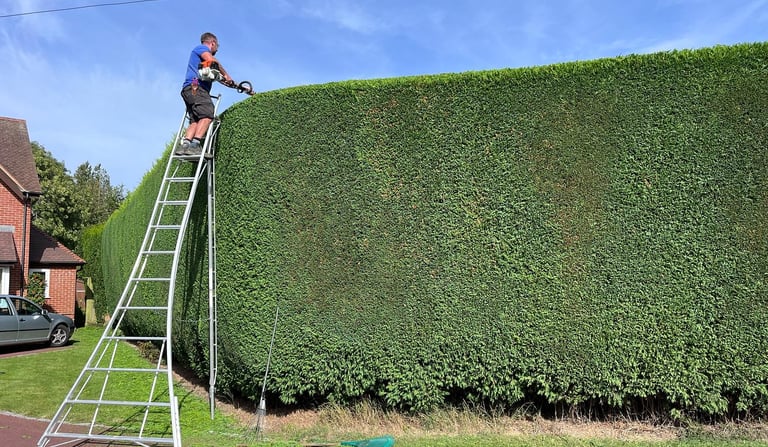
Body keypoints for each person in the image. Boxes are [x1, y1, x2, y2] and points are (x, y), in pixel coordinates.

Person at [177, 32, 234, 155]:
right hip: (196, 87)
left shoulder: (204, 64)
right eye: (216, 47)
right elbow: (212, 60)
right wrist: (227, 75)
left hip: (189, 89)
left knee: (195, 120)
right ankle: (195, 145)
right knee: (208, 114)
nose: (216, 50)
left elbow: (217, 76)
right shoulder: (201, 48)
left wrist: (229, 82)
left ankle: (185, 146)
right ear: (212, 43)